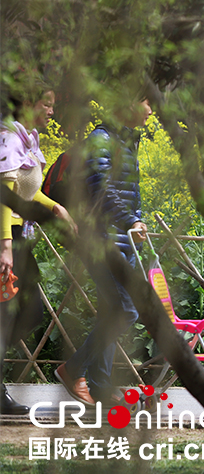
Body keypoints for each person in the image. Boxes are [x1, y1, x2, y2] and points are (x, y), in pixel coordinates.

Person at [55, 98, 150, 406]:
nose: (152, 110)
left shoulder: (123, 140)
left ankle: (101, 386)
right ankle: (73, 370)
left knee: (112, 310)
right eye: (149, 102)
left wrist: (133, 225)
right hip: (102, 241)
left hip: (121, 241)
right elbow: (102, 189)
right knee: (126, 310)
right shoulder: (101, 139)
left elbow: (125, 191)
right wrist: (131, 220)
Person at [1, 88, 77, 415]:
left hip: (19, 235)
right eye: (47, 104)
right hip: (8, 238)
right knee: (10, 313)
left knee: (26, 313)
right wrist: (4, 245)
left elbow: (26, 192)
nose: (50, 111)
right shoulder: (8, 139)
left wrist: (56, 207)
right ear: (28, 104)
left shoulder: (26, 140)